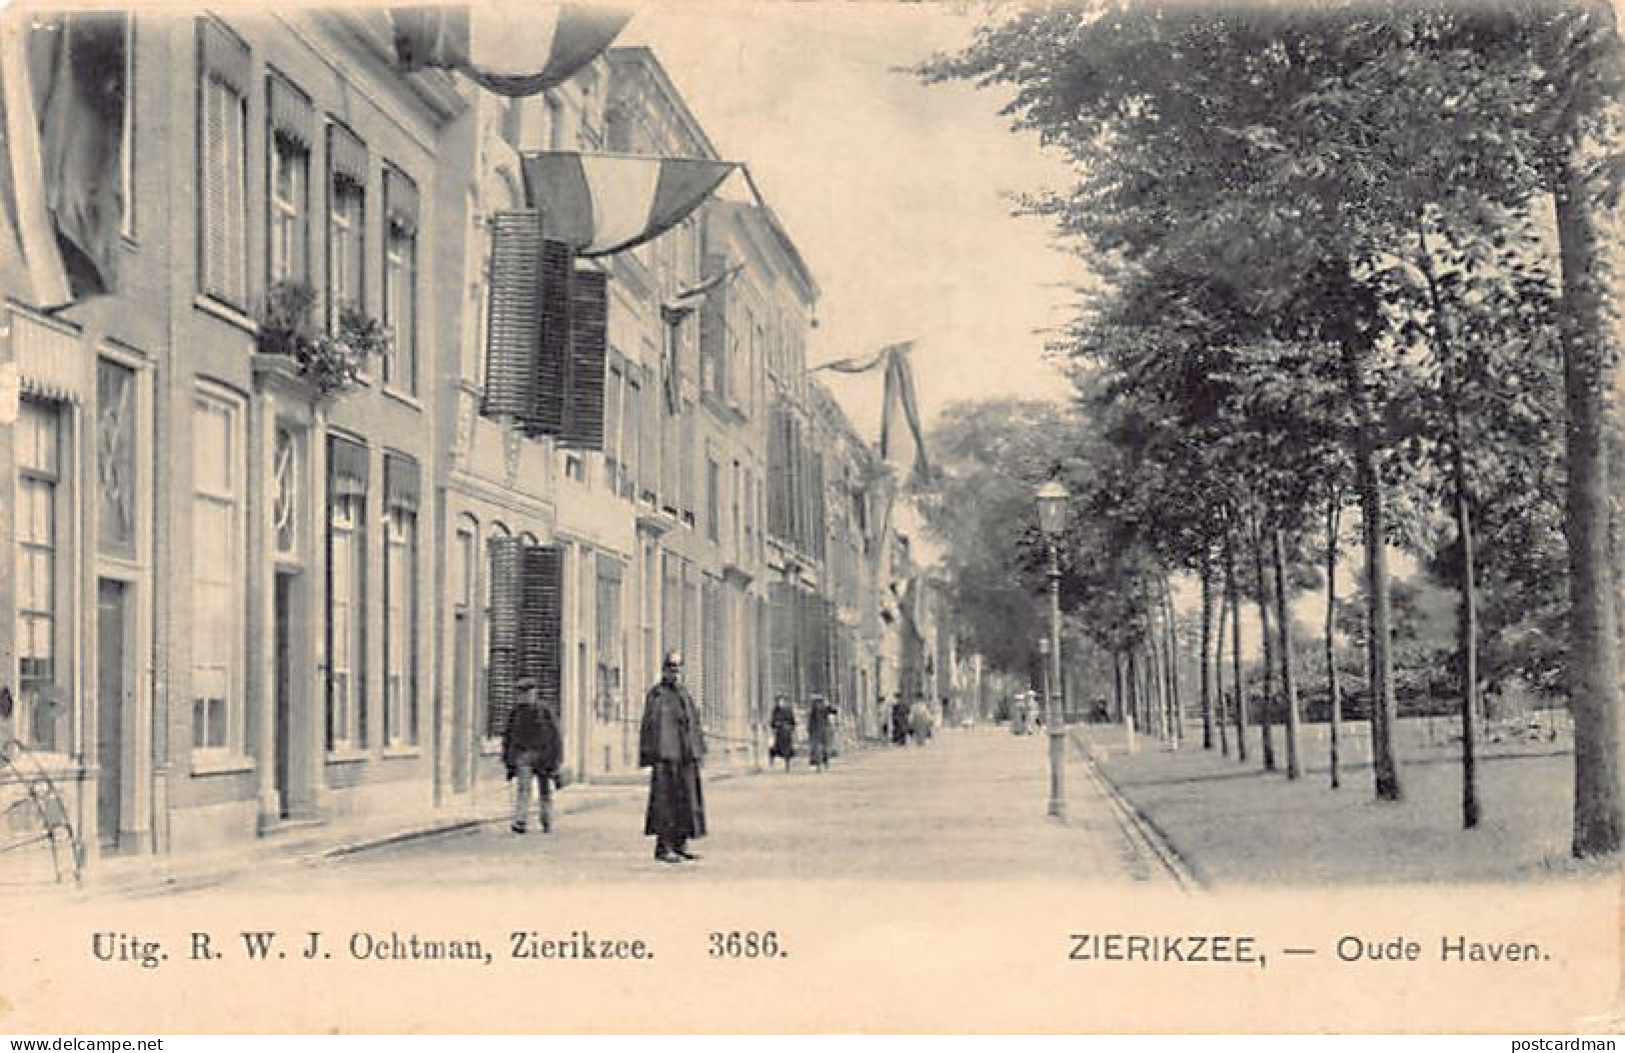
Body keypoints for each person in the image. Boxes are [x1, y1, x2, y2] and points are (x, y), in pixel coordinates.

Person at [639, 652, 706, 864]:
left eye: (678, 668)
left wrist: (697, 751)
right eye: (671, 668)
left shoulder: (684, 694)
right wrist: (650, 754)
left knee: (686, 801)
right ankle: (664, 846)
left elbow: (692, 723)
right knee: (665, 803)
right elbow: (650, 725)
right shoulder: (657, 695)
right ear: (664, 670)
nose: (674, 672)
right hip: (666, 758)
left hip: (685, 757)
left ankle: (680, 843)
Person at [503, 680, 563, 834]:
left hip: (543, 757)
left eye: (528, 692)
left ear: (535, 693)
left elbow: (555, 736)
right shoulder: (516, 713)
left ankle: (546, 819)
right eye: (522, 693)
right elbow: (508, 737)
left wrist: (556, 760)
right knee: (523, 789)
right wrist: (509, 761)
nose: (525, 696)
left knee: (545, 790)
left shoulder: (545, 711)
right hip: (523, 756)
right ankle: (520, 821)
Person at [768, 695, 797, 772]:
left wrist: (790, 728)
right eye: (779, 702)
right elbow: (772, 722)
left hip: (786, 734)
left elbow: (793, 722)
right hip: (779, 733)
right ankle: (771, 762)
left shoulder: (788, 711)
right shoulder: (775, 711)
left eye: (782, 701)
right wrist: (775, 725)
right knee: (773, 748)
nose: (780, 703)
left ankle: (787, 765)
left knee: (787, 750)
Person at [807, 694, 834, 772]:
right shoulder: (818, 709)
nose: (818, 704)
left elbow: (833, 711)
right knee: (820, 748)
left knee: (820, 748)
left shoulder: (821, 708)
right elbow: (833, 711)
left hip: (821, 730)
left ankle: (822, 764)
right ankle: (822, 764)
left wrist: (809, 729)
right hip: (820, 730)